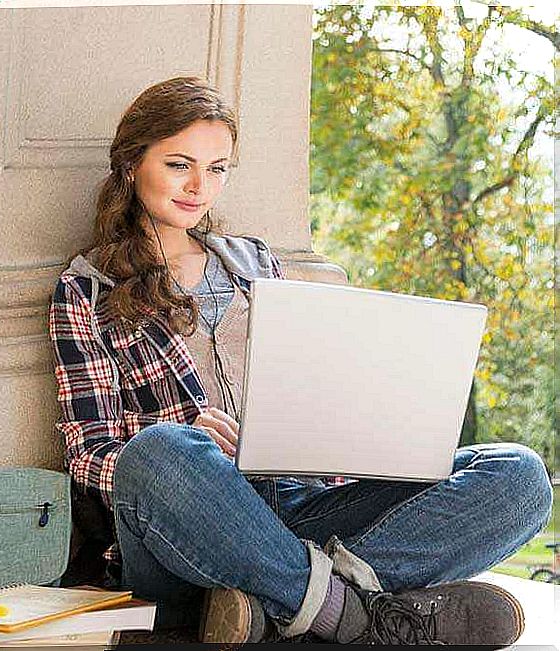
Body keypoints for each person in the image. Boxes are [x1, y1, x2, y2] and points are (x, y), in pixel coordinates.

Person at [47, 76, 553, 644]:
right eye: (179, 165)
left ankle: (279, 604)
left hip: (299, 506)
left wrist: (358, 437)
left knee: (520, 477)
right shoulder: (87, 287)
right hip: (189, 520)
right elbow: (88, 452)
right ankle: (368, 617)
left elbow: (312, 388)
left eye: (217, 168)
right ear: (133, 163)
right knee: (160, 453)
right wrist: (186, 433)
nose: (199, 187)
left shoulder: (255, 261)